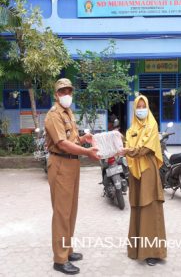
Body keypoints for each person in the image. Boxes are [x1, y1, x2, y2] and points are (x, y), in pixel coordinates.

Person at [45, 78, 100, 275]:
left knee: (71, 210)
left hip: (72, 163)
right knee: (61, 212)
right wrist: (87, 152)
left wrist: (83, 140)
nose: (66, 94)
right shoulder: (53, 115)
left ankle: (67, 250)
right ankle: (59, 260)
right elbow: (62, 143)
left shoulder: (68, 112)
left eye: (68, 90)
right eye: (62, 91)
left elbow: (72, 139)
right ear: (56, 94)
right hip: (60, 163)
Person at [122, 95, 167, 266]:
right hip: (135, 173)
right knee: (137, 208)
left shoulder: (152, 125)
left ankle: (152, 252)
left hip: (148, 170)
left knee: (150, 208)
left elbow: (145, 148)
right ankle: (135, 249)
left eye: (143, 106)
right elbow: (128, 145)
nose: (141, 109)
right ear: (134, 109)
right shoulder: (130, 129)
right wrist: (126, 149)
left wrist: (128, 150)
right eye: (138, 107)